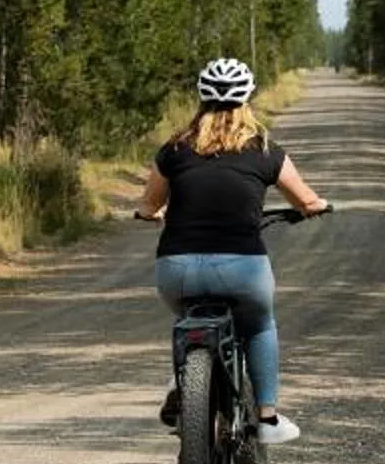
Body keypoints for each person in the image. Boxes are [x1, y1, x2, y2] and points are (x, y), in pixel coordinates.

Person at [135, 56, 328, 442]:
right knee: (258, 325)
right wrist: (315, 208)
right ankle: (268, 419)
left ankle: (183, 376)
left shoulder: (173, 149)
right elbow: (306, 201)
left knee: (186, 315)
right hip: (243, 269)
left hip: (177, 269)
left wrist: (150, 214)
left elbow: (150, 205)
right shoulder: (266, 149)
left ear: (201, 100)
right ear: (247, 101)